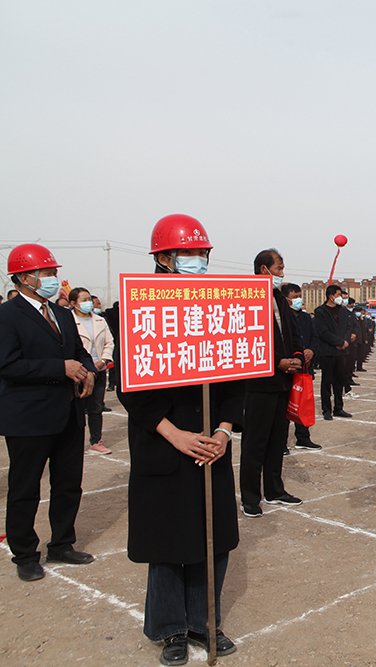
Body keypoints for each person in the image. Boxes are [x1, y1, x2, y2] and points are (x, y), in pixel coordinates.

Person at [119, 215, 241, 663]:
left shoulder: (220, 306)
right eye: (189, 253)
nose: (198, 260)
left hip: (211, 444)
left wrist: (224, 430)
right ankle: (171, 629)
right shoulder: (137, 306)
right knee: (168, 541)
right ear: (165, 258)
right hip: (164, 444)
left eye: (202, 253)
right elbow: (131, 389)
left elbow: (238, 376)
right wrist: (174, 434)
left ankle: (205, 622)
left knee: (214, 537)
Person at [1, 243, 97, 583]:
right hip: (29, 416)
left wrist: (88, 370)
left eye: (54, 272)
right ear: (25, 277)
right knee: (25, 488)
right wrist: (61, 368)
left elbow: (79, 352)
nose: (53, 278)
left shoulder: (61, 313)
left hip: (68, 411)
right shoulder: (8, 315)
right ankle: (25, 553)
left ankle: (62, 543)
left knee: (68, 484)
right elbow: (8, 364)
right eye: (47, 273)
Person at [240, 249, 304, 518]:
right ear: (263, 269)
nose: (282, 273)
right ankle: (250, 497)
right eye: (278, 268)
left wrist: (298, 356)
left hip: (283, 382)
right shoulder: (247, 298)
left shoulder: (280, 298)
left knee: (278, 439)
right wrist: (277, 361)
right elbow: (248, 339)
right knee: (255, 442)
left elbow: (292, 333)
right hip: (260, 383)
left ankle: (274, 490)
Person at [69, 287, 115, 454]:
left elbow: (109, 342)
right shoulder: (68, 321)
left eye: (89, 299)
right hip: (79, 371)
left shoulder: (100, 320)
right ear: (73, 303)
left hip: (98, 369)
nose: (88, 303)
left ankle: (96, 440)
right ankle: (72, 442)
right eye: (84, 300)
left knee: (96, 407)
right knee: (76, 408)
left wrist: (103, 360)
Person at [281, 282, 321, 451]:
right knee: (285, 406)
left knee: (303, 403)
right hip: (287, 367)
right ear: (285, 299)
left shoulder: (305, 318)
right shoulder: (281, 317)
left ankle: (303, 438)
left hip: (305, 368)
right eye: (294, 297)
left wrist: (311, 350)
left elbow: (315, 337)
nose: (298, 300)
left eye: (299, 296)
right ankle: (281, 443)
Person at [313, 284, 353, 420]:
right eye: (338, 295)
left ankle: (338, 408)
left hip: (342, 352)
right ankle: (326, 410)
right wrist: (339, 343)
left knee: (339, 382)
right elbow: (322, 332)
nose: (341, 298)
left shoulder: (343, 311)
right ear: (331, 296)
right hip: (328, 352)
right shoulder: (320, 312)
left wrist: (345, 342)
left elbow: (348, 328)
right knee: (327, 382)